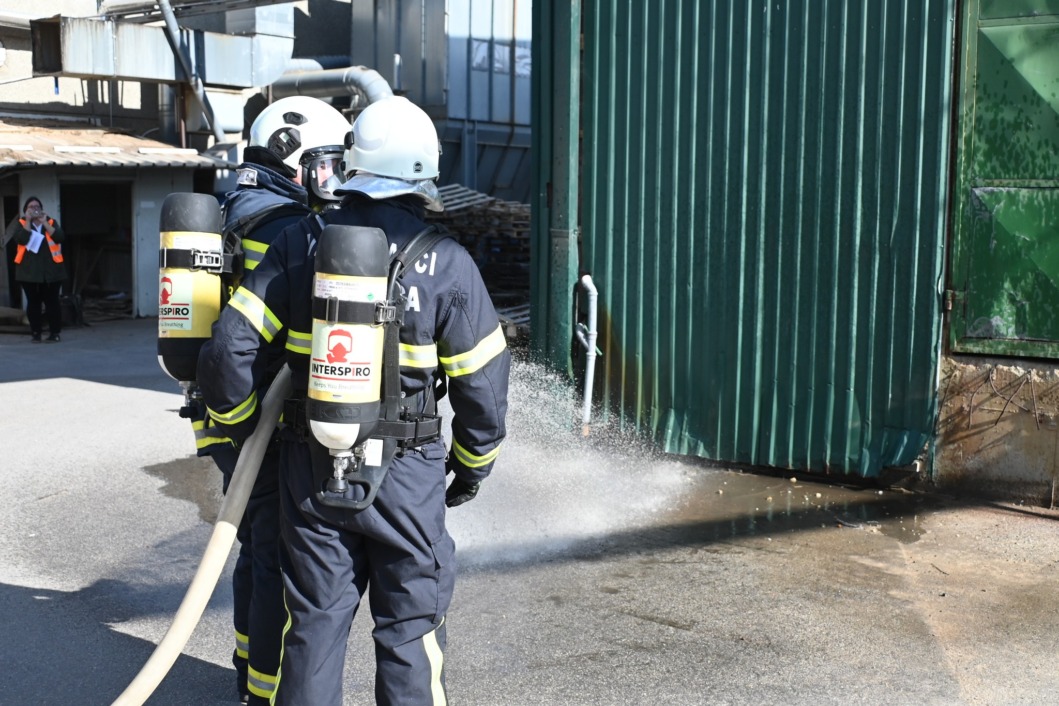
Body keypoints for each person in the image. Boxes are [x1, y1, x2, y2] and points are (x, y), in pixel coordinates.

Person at [197, 95, 510, 705]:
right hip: (409, 474)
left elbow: (228, 350)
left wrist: (243, 433)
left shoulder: (300, 242)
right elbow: (484, 389)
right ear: (424, 170)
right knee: (410, 628)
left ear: (352, 162)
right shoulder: (447, 263)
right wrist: (470, 468)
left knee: (313, 626)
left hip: (311, 467)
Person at [192, 95, 351, 705]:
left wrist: (228, 420)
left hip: (222, 408)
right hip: (258, 417)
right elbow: (252, 336)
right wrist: (248, 423)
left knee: (254, 547)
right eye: (326, 162)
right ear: (294, 157)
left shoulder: (233, 208)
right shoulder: (286, 227)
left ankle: (245, 669)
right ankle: (264, 690)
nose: (333, 177)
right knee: (278, 562)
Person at [5, 196, 65, 343]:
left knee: (52, 303)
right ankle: (36, 333)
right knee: (33, 303)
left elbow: (59, 237)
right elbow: (22, 239)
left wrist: (44, 222)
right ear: (25, 210)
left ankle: (54, 333)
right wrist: (28, 221)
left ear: (41, 209)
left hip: (51, 272)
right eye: (31, 207)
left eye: (37, 206)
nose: (34, 209)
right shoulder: (21, 224)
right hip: (28, 273)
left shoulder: (50, 222)